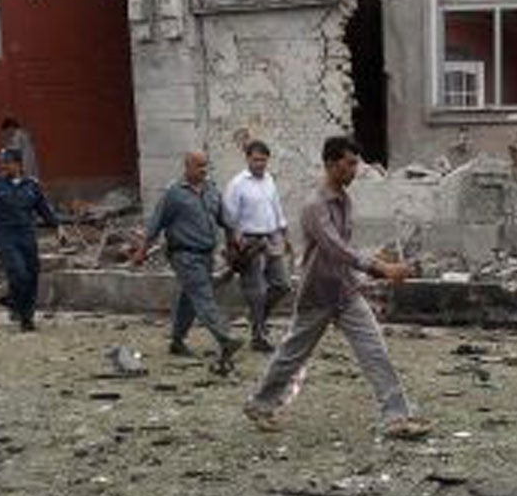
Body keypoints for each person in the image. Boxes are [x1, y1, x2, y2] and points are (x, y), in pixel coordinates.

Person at [244, 136, 430, 440]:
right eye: (349, 164)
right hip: (318, 293)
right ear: (331, 164)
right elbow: (335, 248)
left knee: (374, 350)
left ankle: (395, 415)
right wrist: (380, 268)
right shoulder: (315, 205)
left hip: (345, 291)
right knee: (293, 353)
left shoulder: (344, 199)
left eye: (356, 163)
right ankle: (261, 403)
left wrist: (376, 262)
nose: (354, 170)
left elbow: (345, 249)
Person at [133, 150, 243, 373]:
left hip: (206, 254)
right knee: (203, 295)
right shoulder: (174, 194)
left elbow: (225, 220)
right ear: (187, 166)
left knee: (189, 299)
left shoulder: (211, 190)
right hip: (183, 254)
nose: (203, 171)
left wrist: (233, 245)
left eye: (205, 166)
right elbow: (156, 223)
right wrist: (142, 250)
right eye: (199, 166)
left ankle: (177, 341)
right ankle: (225, 337)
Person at [0, 144, 60, 331]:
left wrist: (57, 227)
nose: (4, 166)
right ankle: (17, 305)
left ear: (18, 164)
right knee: (18, 273)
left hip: (27, 235)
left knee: (31, 275)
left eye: (7, 163)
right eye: (2, 163)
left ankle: (26, 317)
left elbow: (43, 209)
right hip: (5, 236)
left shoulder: (32, 185)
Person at [223, 139, 292, 351]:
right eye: (255, 160)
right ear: (247, 159)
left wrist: (284, 234)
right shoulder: (237, 184)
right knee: (257, 291)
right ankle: (258, 336)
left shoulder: (269, 179)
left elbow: (276, 208)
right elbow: (228, 216)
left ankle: (258, 317)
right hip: (250, 242)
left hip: (271, 238)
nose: (259, 164)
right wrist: (234, 241)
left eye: (263, 160)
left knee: (282, 285)